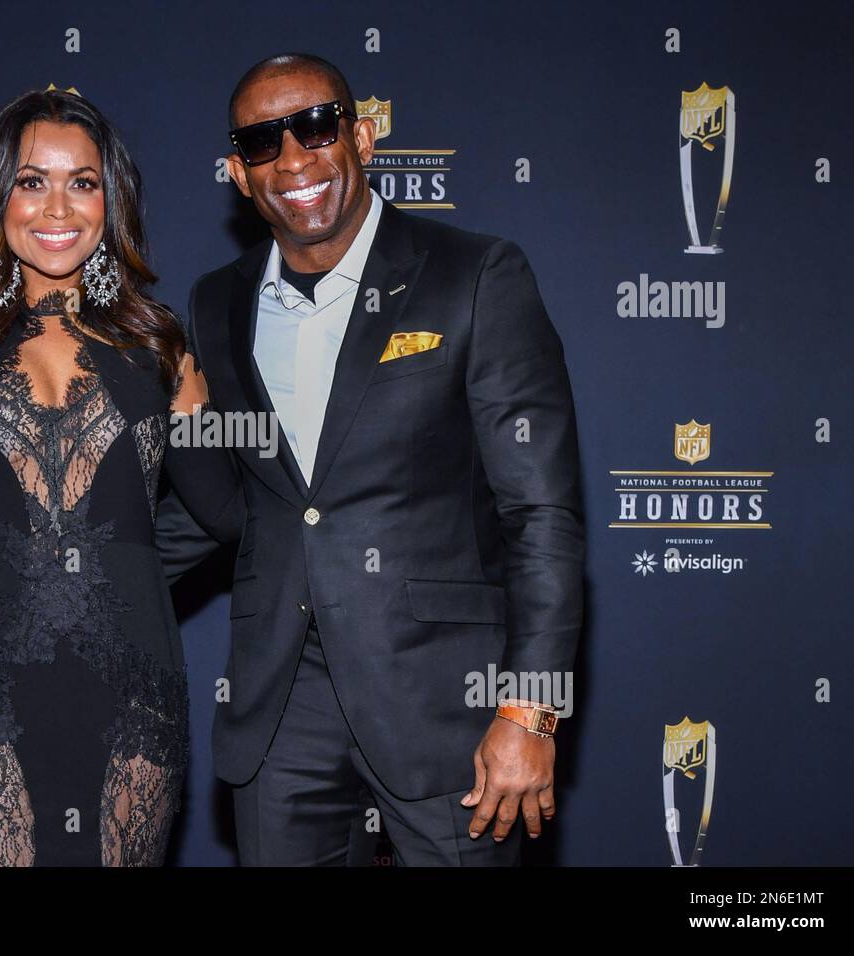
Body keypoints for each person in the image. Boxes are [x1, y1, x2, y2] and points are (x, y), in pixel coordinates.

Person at [156, 53, 585, 865]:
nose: (293, 159)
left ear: (362, 136)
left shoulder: (474, 274)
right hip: (279, 714)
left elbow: (541, 515)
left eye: (314, 126)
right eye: (261, 143)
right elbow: (240, 502)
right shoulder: (217, 303)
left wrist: (530, 711)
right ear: (238, 174)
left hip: (446, 707)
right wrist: (60, 586)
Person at [0, 89, 241, 866]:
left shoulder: (160, 343)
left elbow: (221, 507)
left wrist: (119, 565)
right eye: (31, 181)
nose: (57, 206)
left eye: (84, 181)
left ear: (113, 198)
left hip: (131, 675)